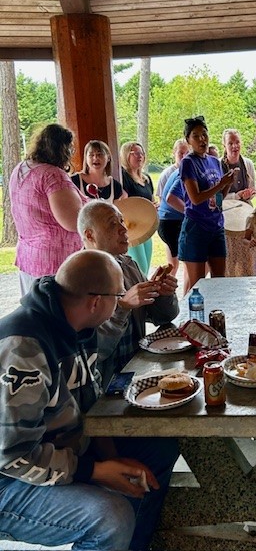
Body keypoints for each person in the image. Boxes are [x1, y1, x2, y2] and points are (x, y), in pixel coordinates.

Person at [0, 249, 179, 551]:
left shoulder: (78, 326)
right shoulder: (24, 350)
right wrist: (95, 471)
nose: (121, 302)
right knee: (111, 517)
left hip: (61, 450)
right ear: (96, 302)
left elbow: (87, 405)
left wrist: (109, 459)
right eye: (118, 295)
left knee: (159, 449)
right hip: (10, 478)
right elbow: (13, 456)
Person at [78, 200, 179, 387]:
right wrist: (122, 307)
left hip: (136, 371)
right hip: (101, 385)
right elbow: (94, 351)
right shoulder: (76, 277)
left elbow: (164, 318)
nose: (124, 229)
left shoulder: (128, 265)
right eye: (112, 224)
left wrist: (163, 294)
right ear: (90, 235)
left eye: (122, 221)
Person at [9, 123, 86, 295]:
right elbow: (73, 221)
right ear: (63, 149)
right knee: (57, 311)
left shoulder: (20, 168)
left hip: (28, 257)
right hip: (55, 263)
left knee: (34, 309)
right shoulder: (52, 175)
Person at [178, 115, 236, 286]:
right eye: (196, 136)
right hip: (197, 226)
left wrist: (227, 183)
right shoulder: (188, 163)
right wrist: (221, 184)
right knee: (198, 285)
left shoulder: (214, 161)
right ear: (188, 140)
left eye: (204, 134)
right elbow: (195, 198)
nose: (202, 139)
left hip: (216, 225)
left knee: (219, 282)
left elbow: (218, 198)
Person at [221, 128, 256, 277]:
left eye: (237, 142)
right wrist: (236, 196)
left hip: (245, 218)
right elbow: (217, 198)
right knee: (230, 260)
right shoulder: (218, 166)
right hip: (226, 219)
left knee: (247, 260)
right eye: (230, 143)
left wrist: (249, 194)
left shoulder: (248, 164)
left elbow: (252, 190)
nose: (235, 146)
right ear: (224, 145)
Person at [119, 141, 155, 277]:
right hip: (131, 228)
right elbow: (124, 203)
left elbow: (151, 200)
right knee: (140, 267)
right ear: (126, 156)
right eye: (135, 153)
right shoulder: (123, 177)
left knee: (146, 267)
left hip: (146, 227)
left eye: (142, 153)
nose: (140, 156)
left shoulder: (146, 178)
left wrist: (153, 206)